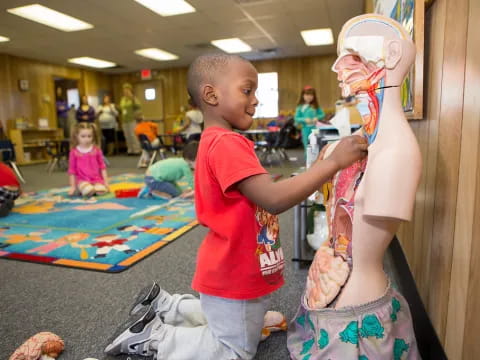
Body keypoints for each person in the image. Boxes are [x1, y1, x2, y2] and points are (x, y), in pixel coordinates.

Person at [104, 53, 367, 360]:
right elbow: (272, 197)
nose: (255, 100)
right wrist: (334, 163)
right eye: (247, 90)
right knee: (234, 350)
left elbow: (253, 189)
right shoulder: (228, 144)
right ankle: (155, 337)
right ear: (211, 94)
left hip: (229, 266)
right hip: (235, 270)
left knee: (228, 313)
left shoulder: (216, 140)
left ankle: (167, 306)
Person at [287, 14, 421, 359]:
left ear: (391, 55)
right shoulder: (357, 144)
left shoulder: (396, 153)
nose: (338, 67)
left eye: (353, 55)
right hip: (332, 289)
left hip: (359, 306)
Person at [67, 122, 109, 197]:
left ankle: (93, 188)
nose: (87, 139)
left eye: (89, 136)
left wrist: (106, 183)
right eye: (83, 136)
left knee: (101, 191)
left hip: (97, 180)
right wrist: (72, 187)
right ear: (77, 136)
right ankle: (85, 189)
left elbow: (102, 167)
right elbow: (72, 171)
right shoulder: (74, 152)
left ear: (93, 136)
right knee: (89, 191)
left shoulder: (97, 150)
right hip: (82, 181)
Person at [294, 86, 325, 151]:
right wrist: (304, 119)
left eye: (311, 95)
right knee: (307, 146)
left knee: (317, 145)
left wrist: (317, 117)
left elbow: (322, 114)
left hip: (315, 129)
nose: (309, 96)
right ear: (303, 95)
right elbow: (296, 118)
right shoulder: (300, 107)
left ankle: (317, 160)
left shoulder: (315, 106)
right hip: (305, 129)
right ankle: (308, 160)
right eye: (307, 94)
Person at [119, 83, 141, 155]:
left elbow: (138, 106)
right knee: (127, 135)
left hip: (132, 119)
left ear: (130, 90)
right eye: (124, 90)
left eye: (127, 89)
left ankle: (136, 150)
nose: (125, 91)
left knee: (133, 135)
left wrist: (132, 99)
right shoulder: (123, 99)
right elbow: (121, 108)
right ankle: (130, 150)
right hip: (124, 120)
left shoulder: (133, 98)